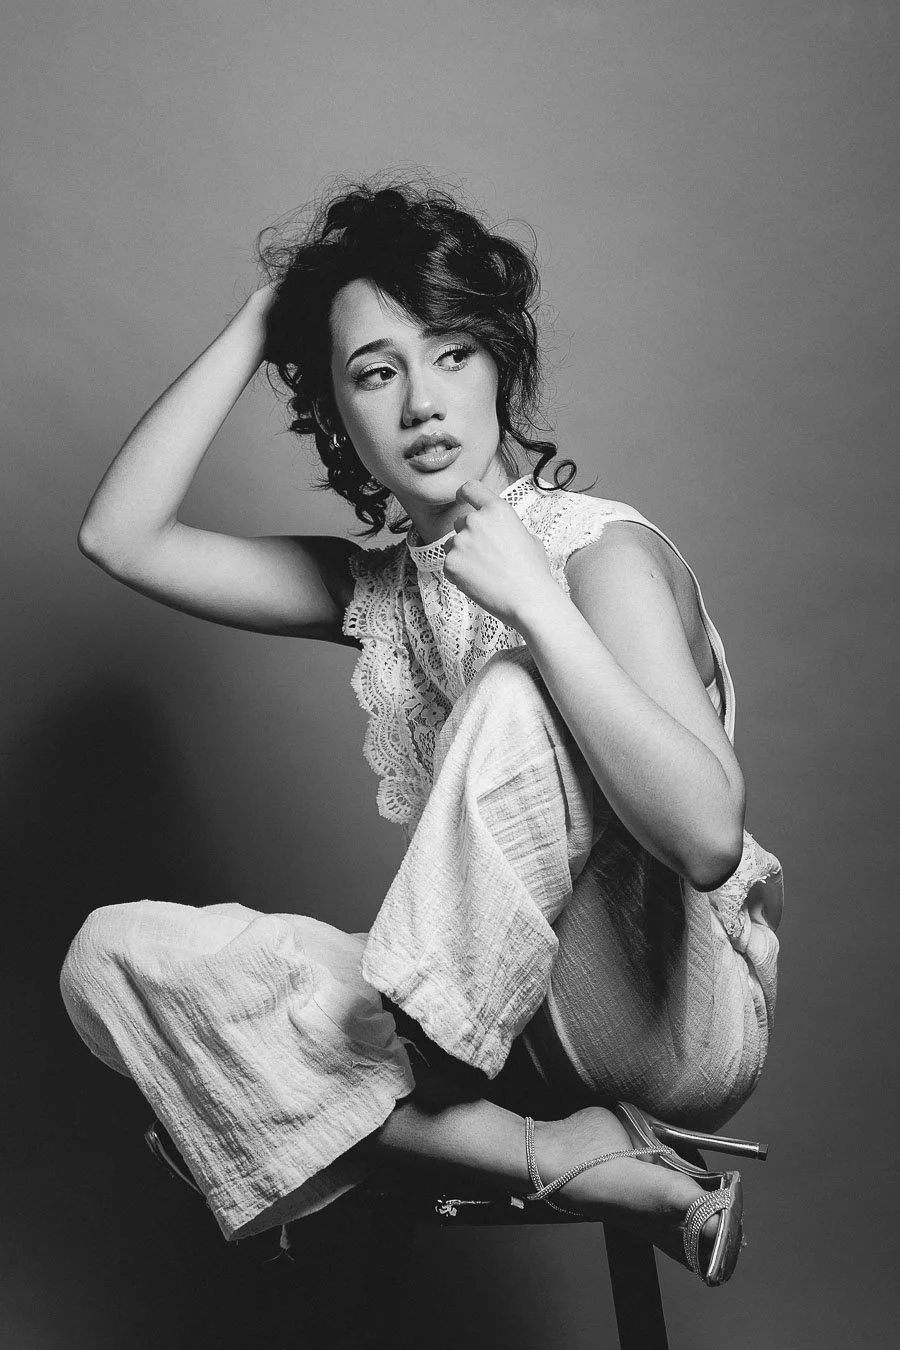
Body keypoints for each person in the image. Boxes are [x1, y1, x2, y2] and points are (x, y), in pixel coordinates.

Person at [60, 179, 783, 1287]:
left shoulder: (604, 554)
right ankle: (563, 1156)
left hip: (668, 1009)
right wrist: (270, 316)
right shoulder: (390, 590)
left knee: (509, 689)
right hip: (512, 1026)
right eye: (375, 372)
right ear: (339, 414)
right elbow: (123, 535)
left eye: (450, 353)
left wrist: (539, 608)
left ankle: (329, 1092)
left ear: (501, 364)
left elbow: (707, 839)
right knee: (111, 956)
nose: (421, 403)